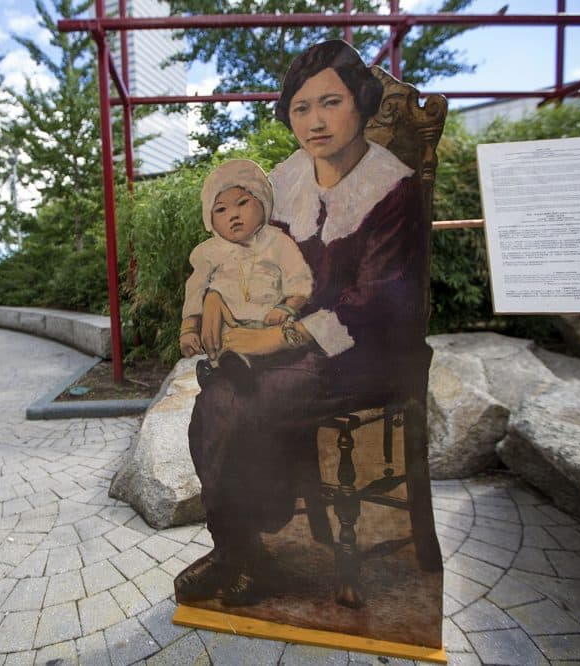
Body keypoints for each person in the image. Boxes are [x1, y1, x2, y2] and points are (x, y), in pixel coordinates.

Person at [176, 40, 433, 607]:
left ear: (361, 105)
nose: (314, 121)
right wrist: (216, 298)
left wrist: (280, 337)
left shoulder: (393, 187)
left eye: (330, 103)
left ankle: (240, 551)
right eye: (300, 108)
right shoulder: (285, 181)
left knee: (238, 396)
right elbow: (248, 257)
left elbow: (378, 304)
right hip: (293, 345)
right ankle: (238, 549)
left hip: (365, 350)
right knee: (217, 397)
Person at [179, 159, 313, 390]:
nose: (233, 215)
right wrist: (188, 330)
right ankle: (224, 369)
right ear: (209, 218)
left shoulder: (278, 243)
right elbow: (195, 292)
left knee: (275, 350)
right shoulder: (209, 252)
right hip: (227, 327)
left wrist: (286, 307)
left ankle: (235, 371)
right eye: (221, 209)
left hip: (269, 322)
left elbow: (300, 281)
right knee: (223, 342)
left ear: (262, 202)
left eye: (242, 203)